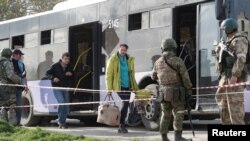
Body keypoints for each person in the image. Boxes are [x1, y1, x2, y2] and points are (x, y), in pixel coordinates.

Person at [151, 38, 192, 141]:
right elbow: (185, 77)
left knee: (165, 115)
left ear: (163, 48)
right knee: (179, 113)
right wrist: (189, 90)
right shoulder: (177, 60)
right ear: (174, 48)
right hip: (176, 92)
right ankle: (178, 137)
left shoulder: (157, 62)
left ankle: (164, 137)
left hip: (163, 93)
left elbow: (153, 76)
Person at [215, 18, 248, 125]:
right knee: (223, 106)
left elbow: (241, 58)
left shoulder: (239, 40)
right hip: (225, 77)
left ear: (227, 29)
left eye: (223, 29)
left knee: (235, 110)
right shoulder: (228, 41)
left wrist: (235, 75)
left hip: (234, 79)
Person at [105, 43, 139, 133]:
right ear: (118, 49)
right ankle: (121, 125)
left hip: (128, 86)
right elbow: (109, 75)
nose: (122, 51)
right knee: (125, 103)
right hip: (119, 86)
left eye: (124, 50)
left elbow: (131, 74)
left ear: (126, 51)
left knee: (129, 103)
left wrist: (135, 87)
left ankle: (123, 124)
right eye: (121, 50)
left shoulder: (129, 59)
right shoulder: (113, 59)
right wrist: (109, 89)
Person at [46, 52, 73, 129]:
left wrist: (71, 74)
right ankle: (61, 121)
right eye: (65, 59)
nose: (67, 60)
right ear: (61, 59)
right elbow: (47, 73)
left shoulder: (69, 66)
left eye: (68, 59)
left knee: (66, 105)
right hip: (56, 87)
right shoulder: (55, 66)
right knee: (61, 101)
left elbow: (73, 75)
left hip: (65, 88)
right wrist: (53, 78)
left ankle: (62, 122)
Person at [0, 48, 21, 124]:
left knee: (3, 106)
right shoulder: (7, 62)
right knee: (12, 106)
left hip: (1, 87)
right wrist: (19, 79)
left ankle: (2, 124)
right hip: (8, 87)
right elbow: (10, 75)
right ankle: (12, 125)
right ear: (9, 55)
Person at [12, 49, 28, 126]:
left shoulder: (21, 64)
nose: (20, 56)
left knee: (19, 105)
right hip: (10, 88)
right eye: (19, 54)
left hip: (19, 88)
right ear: (14, 54)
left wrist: (26, 85)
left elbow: (24, 76)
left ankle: (18, 123)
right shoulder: (9, 63)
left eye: (21, 55)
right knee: (10, 105)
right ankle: (10, 122)